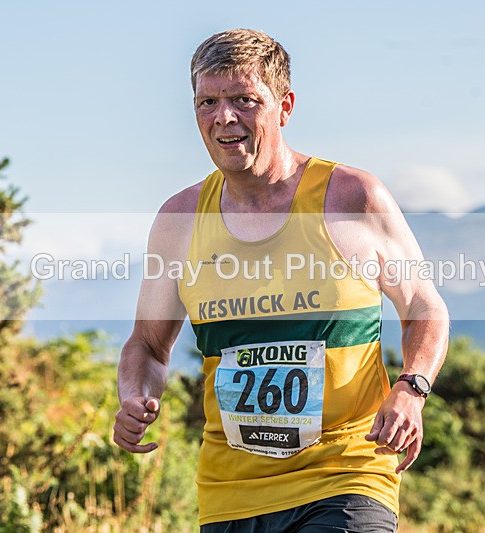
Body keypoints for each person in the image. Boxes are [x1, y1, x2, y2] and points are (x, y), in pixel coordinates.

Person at [114, 29, 449, 532]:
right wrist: (133, 396)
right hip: (231, 492)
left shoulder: (351, 197)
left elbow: (424, 306)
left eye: (244, 100)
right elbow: (147, 344)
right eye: (208, 102)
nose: (224, 117)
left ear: (284, 106)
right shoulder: (180, 219)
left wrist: (412, 387)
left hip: (345, 475)